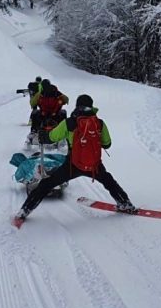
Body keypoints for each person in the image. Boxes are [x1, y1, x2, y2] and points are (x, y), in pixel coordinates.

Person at [16, 94, 135, 222]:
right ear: (91, 106)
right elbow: (107, 144)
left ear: (77, 106)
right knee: (108, 181)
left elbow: (52, 138)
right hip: (94, 165)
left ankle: (25, 211)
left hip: (73, 165)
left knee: (46, 184)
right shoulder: (99, 123)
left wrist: (43, 135)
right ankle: (125, 203)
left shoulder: (69, 123)